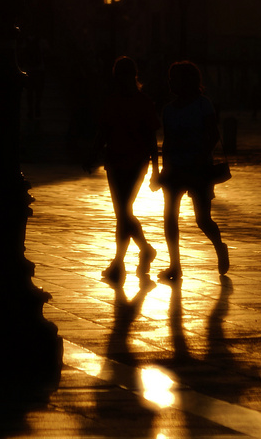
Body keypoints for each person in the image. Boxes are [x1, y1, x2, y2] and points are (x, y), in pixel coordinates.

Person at [156, 60, 229, 281]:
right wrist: (161, 170)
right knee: (170, 217)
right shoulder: (168, 110)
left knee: (202, 219)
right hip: (175, 170)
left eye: (174, 78)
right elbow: (167, 143)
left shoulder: (203, 105)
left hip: (199, 170)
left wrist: (199, 158)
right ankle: (175, 265)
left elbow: (213, 135)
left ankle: (219, 246)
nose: (171, 83)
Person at [91, 56, 160, 283]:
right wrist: (93, 154)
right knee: (123, 212)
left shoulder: (140, 103)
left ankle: (120, 262)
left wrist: (156, 170)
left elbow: (151, 140)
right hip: (118, 163)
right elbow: (103, 133)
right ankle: (140, 252)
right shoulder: (129, 102)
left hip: (133, 163)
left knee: (123, 212)